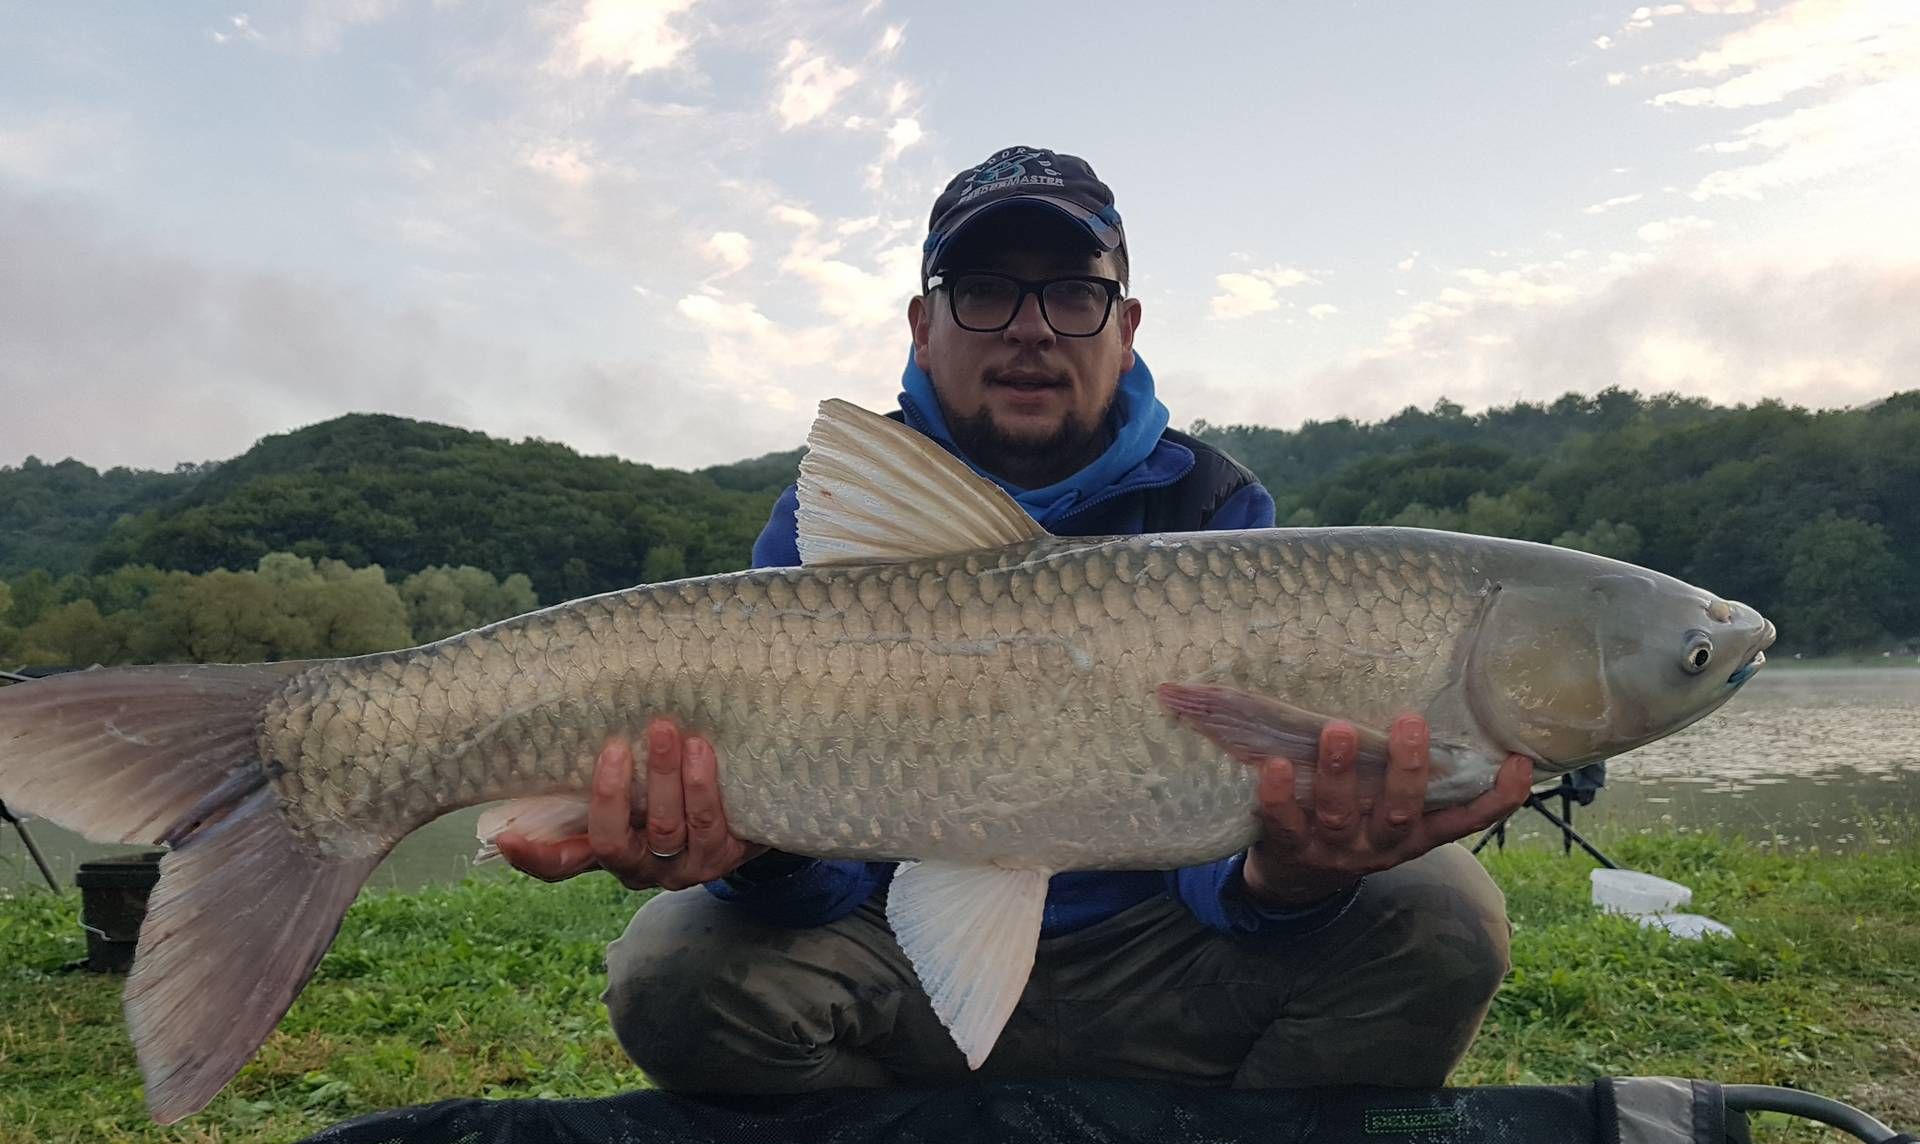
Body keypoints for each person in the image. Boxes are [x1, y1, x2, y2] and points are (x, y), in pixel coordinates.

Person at [497, 145, 1532, 1093]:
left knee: (1439, 913)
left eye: (1075, 294)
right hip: (899, 955)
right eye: (986, 290)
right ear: (923, 326)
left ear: (1125, 330)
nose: (1032, 327)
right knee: (672, 968)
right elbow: (818, 882)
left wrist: (1295, 870)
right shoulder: (834, 523)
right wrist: (753, 849)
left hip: (1151, 956)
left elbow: (1225, 872)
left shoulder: (1214, 516)